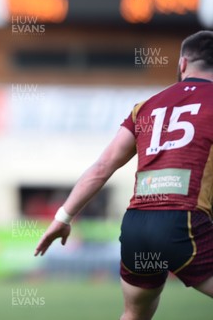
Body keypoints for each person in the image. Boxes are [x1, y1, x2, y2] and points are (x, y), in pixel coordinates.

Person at [35, 31, 213, 320]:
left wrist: (63, 218)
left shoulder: (146, 106)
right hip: (185, 222)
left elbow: (102, 167)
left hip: (137, 228)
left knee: (134, 313)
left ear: (182, 64)